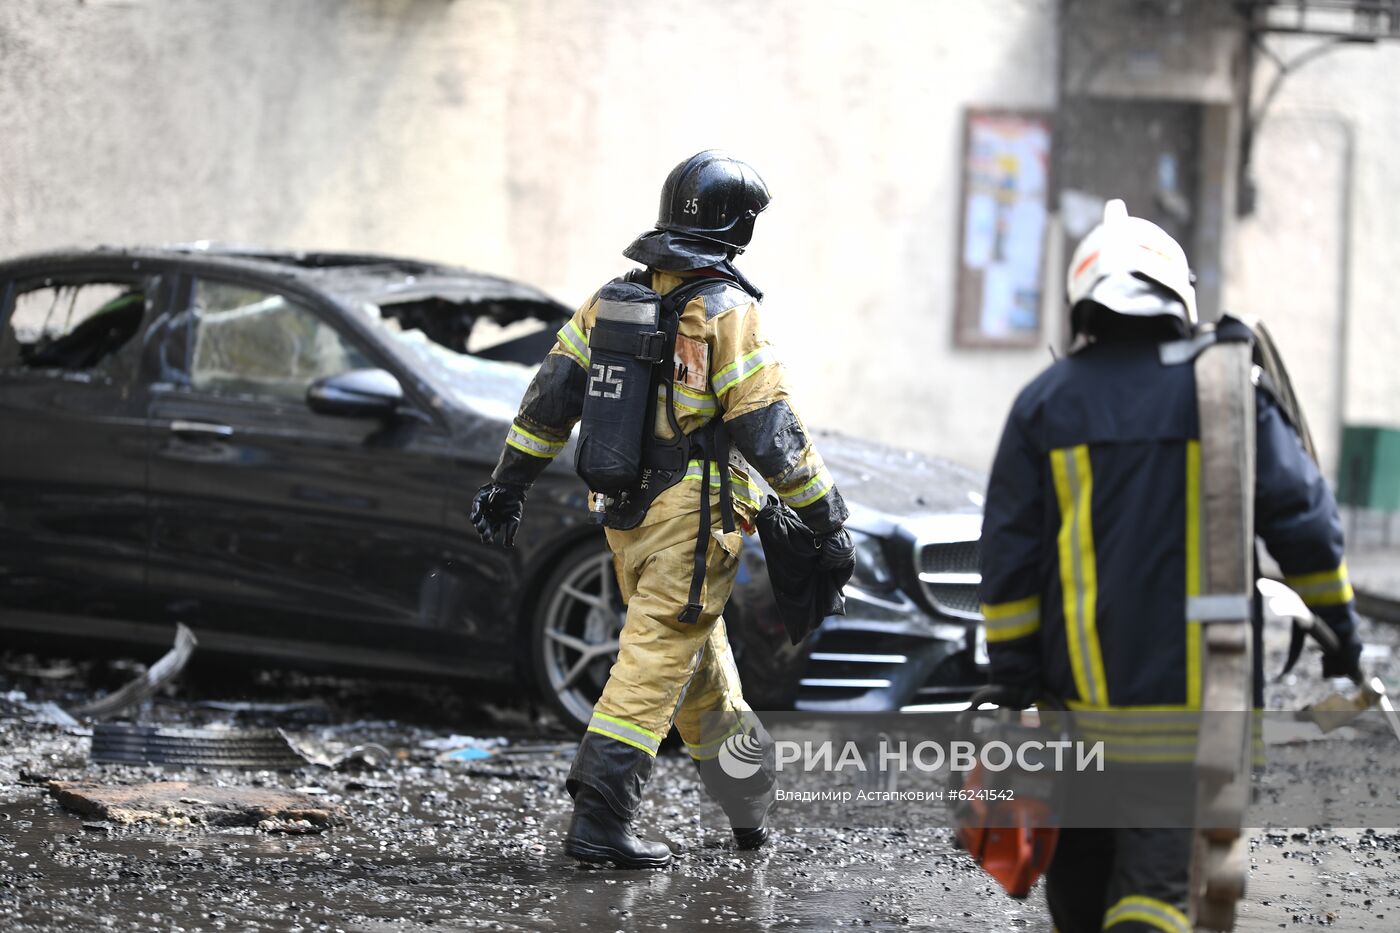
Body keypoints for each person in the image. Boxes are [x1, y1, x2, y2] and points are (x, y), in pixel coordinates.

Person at [977, 200, 1365, 931]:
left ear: (1082, 301)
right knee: (1159, 898)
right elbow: (1307, 529)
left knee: (1081, 898)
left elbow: (1008, 567)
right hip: (1192, 725)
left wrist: (1013, 684)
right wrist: (1341, 632)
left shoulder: (1044, 405)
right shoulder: (1228, 393)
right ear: (1177, 296)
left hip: (1075, 723)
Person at [470, 150, 853, 868]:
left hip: (626, 516)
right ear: (736, 226)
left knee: (700, 669)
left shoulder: (613, 298)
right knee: (653, 663)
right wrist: (826, 517)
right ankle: (599, 820)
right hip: (693, 524)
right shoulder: (726, 311)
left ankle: (749, 807)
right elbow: (768, 426)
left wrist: (508, 482)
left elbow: (550, 396)